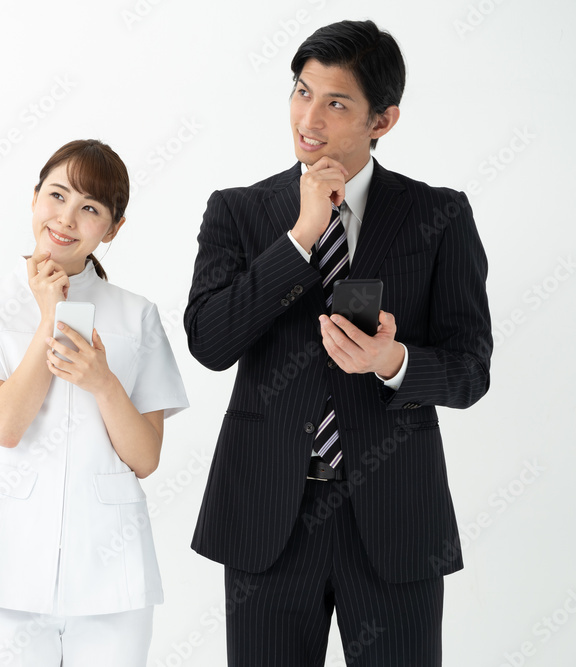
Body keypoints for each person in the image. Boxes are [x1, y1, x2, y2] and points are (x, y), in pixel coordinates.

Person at [184, 20, 492, 666]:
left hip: (394, 521)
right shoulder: (237, 212)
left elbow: (470, 367)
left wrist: (395, 362)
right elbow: (210, 341)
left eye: (336, 102)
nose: (309, 117)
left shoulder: (439, 217)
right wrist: (300, 238)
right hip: (268, 518)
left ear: (383, 120)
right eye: (301, 91)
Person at [0, 139, 189, 666]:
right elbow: (4, 425)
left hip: (110, 576)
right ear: (34, 198)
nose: (67, 219)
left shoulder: (136, 315)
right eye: (56, 196)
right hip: (6, 567)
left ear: (113, 228)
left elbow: (145, 458)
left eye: (90, 209)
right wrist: (47, 317)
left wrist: (103, 383)